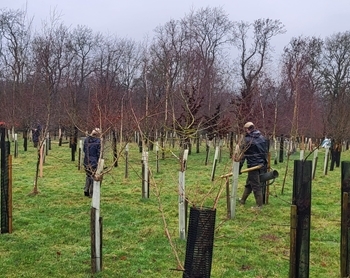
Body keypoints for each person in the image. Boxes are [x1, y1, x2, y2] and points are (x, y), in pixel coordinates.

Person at [238, 122, 268, 211]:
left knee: (256, 186)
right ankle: (242, 200)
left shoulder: (247, 140)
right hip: (262, 164)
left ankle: (259, 206)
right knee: (249, 183)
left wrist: (238, 168)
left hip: (253, 166)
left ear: (247, 129)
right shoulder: (262, 137)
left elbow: (242, 156)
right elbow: (265, 152)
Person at [83, 128, 101, 197]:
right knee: (93, 175)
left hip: (86, 160)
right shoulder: (98, 141)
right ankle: (91, 192)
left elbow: (84, 150)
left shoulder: (86, 140)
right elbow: (99, 153)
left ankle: (86, 189)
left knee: (88, 175)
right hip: (94, 161)